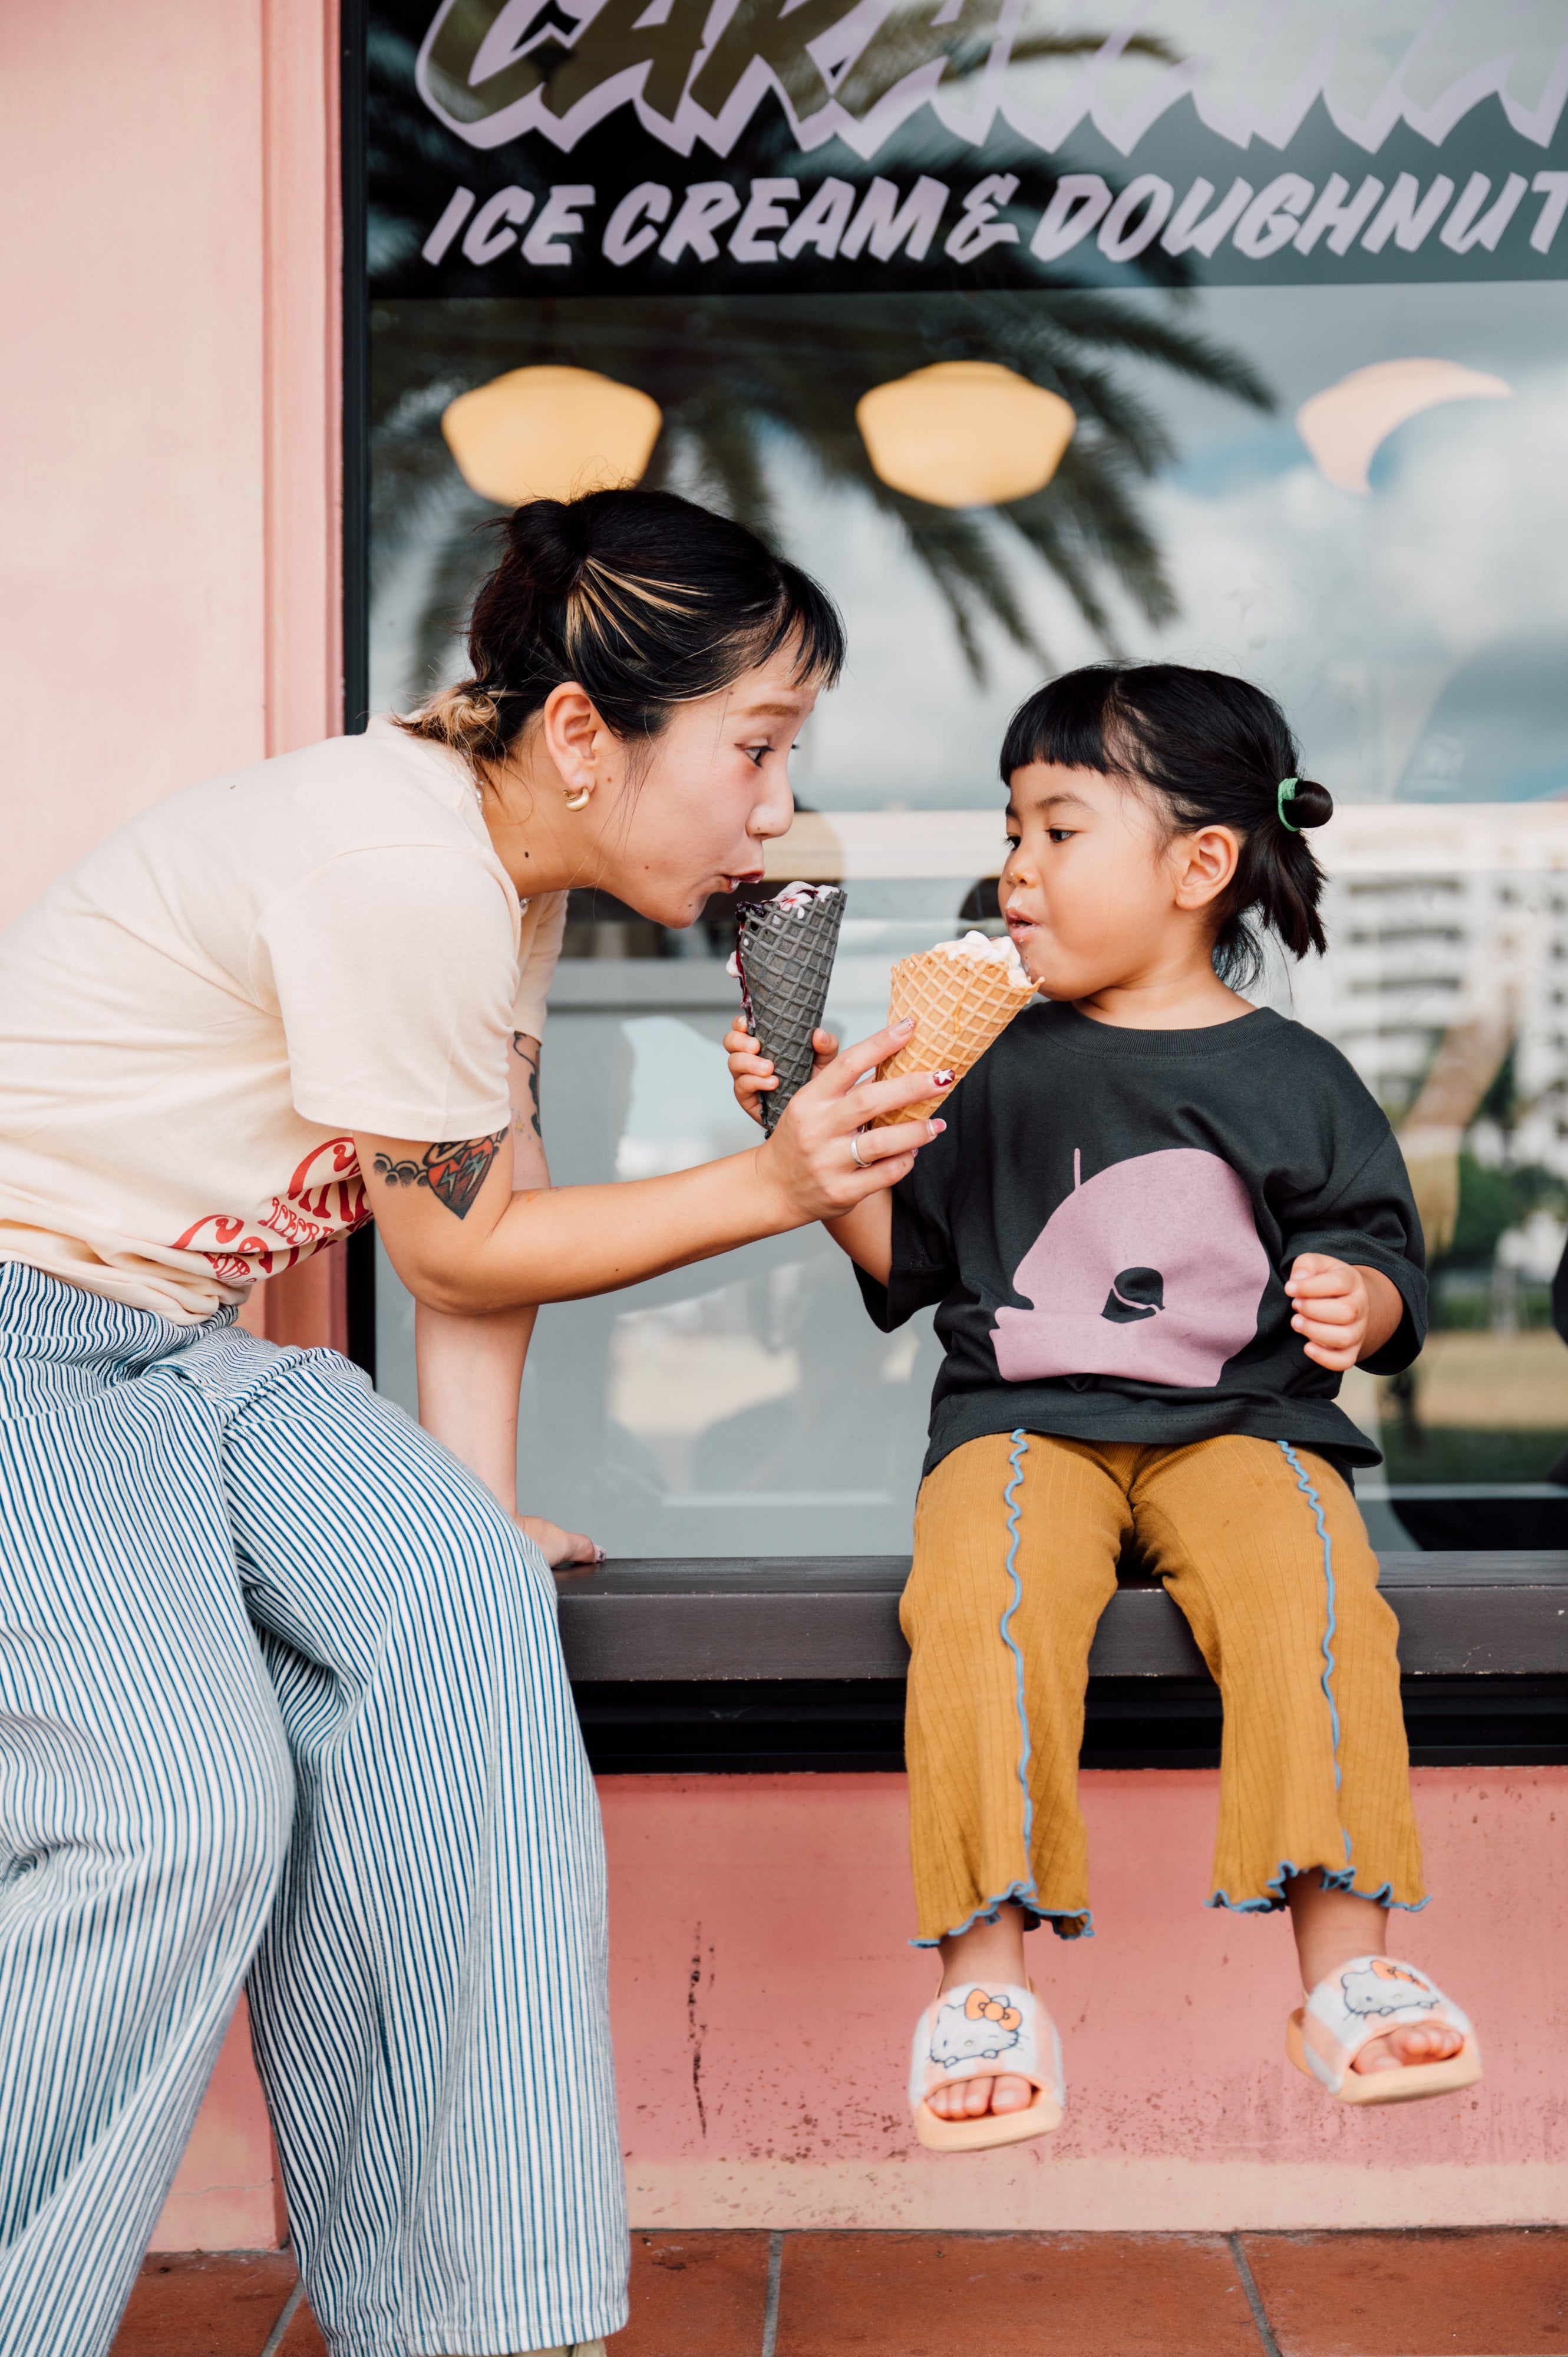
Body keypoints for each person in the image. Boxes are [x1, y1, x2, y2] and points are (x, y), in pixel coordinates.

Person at [0, 486, 952, 2357]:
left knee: (458, 1614)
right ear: (585, 734)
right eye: (751, 748)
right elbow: (468, 1246)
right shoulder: (400, 868)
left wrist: (468, 1512)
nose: (773, 805)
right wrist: (774, 1182)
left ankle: (468, 2318)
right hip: (23, 1339)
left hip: (174, 1346)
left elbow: (465, 1258)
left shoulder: (497, 873)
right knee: (176, 1812)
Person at [727, 661, 1481, 2153]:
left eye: (1057, 830)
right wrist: (797, 1144)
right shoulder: (987, 1058)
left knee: (1315, 1590)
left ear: (1200, 864)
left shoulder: (1296, 1074)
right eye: (1009, 830)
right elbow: (914, 1259)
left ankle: (1345, 1963)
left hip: (1242, 1431)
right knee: (981, 1603)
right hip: (1021, 1425)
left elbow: (1383, 1251)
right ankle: (983, 1977)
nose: (1013, 868)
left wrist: (1356, 1295)